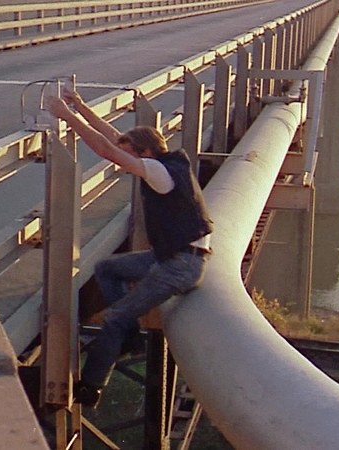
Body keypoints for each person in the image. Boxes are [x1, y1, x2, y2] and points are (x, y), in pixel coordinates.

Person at [45, 90, 213, 407]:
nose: (125, 163)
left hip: (181, 265)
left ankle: (91, 386)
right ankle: (130, 334)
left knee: (114, 317)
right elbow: (114, 139)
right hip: (171, 255)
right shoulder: (162, 162)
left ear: (145, 152)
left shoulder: (159, 172)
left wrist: (66, 117)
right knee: (106, 269)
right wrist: (80, 106)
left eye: (130, 156)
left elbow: (107, 149)